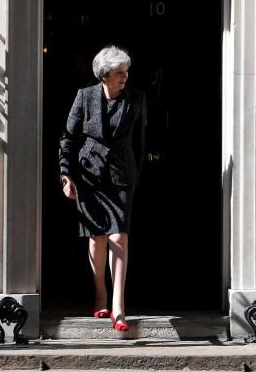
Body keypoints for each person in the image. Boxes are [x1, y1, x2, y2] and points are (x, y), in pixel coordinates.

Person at [58, 45, 147, 333]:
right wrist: (66, 175)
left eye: (126, 72)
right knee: (97, 239)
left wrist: (134, 174)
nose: (125, 77)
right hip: (89, 175)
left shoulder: (136, 98)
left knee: (119, 237)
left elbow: (140, 141)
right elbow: (68, 138)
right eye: (119, 73)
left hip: (122, 176)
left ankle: (119, 307)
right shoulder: (85, 97)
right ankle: (100, 293)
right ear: (104, 75)